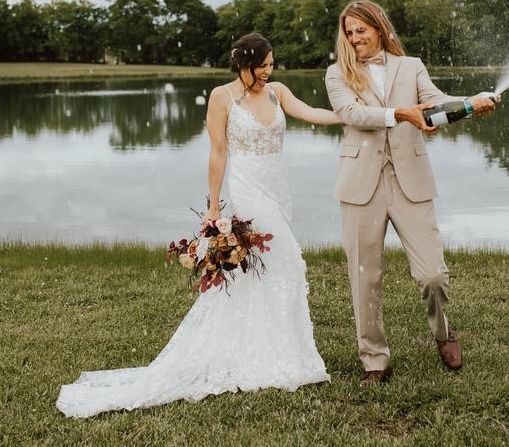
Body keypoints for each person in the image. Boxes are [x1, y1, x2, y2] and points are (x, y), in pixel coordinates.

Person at [57, 33, 339, 417]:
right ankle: (277, 353)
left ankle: (266, 346)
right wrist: (213, 206)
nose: (269, 71)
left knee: (267, 271)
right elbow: (218, 151)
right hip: (248, 188)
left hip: (278, 187)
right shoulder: (222, 97)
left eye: (272, 64)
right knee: (288, 258)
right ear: (245, 64)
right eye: (264, 65)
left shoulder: (277, 92)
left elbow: (309, 112)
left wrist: (347, 116)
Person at [325, 0, 499, 386]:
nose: (354, 39)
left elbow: (434, 103)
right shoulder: (337, 73)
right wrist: (401, 114)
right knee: (364, 277)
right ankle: (375, 360)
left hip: (411, 180)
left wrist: (471, 105)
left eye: (361, 30)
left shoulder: (411, 66)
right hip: (360, 185)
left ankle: (443, 332)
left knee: (432, 274)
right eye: (349, 32)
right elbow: (352, 114)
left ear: (379, 28)